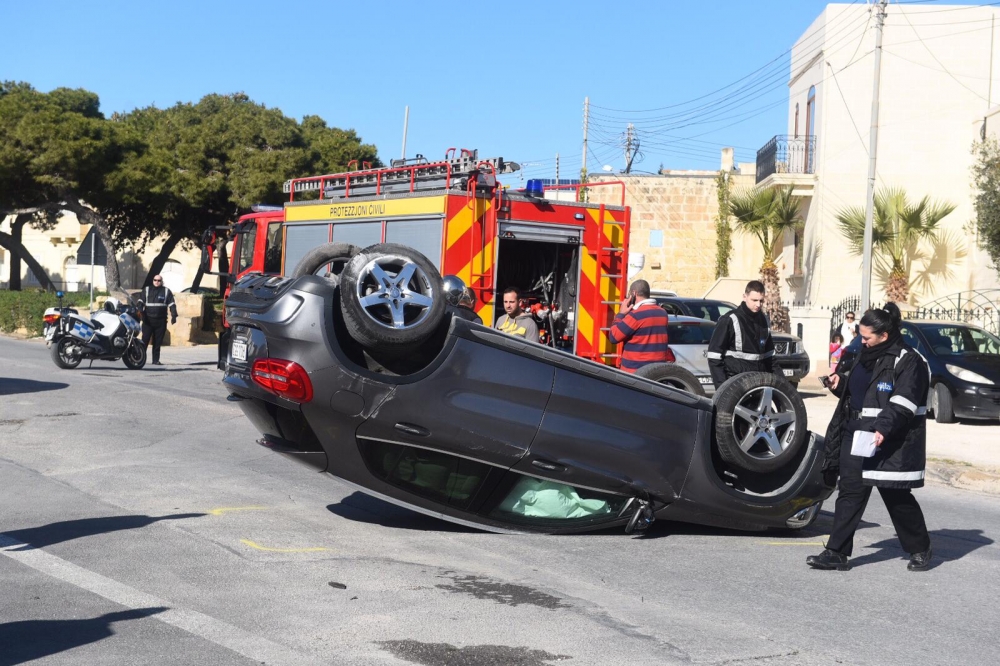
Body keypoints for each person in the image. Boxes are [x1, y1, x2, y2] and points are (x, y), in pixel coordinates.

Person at [808, 302, 932, 572]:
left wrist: (882, 430)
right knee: (850, 491)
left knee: (895, 497)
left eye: (866, 337)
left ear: (884, 336)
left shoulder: (909, 360)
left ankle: (920, 548)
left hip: (887, 439)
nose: (861, 342)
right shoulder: (865, 355)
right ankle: (836, 553)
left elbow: (903, 403)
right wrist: (839, 384)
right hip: (856, 432)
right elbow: (859, 393)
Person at [706, 280, 774, 387]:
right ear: (744, 297)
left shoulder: (764, 320)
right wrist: (723, 390)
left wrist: (784, 393)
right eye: (754, 300)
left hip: (758, 384)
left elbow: (771, 359)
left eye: (761, 301)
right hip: (736, 385)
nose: (758, 304)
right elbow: (714, 357)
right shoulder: (729, 319)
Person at [609, 279, 673, 373]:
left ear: (634, 293)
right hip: (656, 372)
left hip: (635, 372)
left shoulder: (636, 315)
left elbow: (613, 337)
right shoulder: (662, 313)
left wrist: (621, 314)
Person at [138, 274, 177, 366]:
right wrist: (140, 310)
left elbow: (172, 304)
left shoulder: (166, 291)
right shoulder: (147, 290)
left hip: (161, 321)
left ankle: (156, 360)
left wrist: (174, 315)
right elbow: (140, 302)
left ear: (161, 281)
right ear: (153, 281)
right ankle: (139, 359)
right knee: (145, 340)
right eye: (155, 280)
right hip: (148, 320)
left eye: (159, 280)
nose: (157, 282)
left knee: (157, 342)